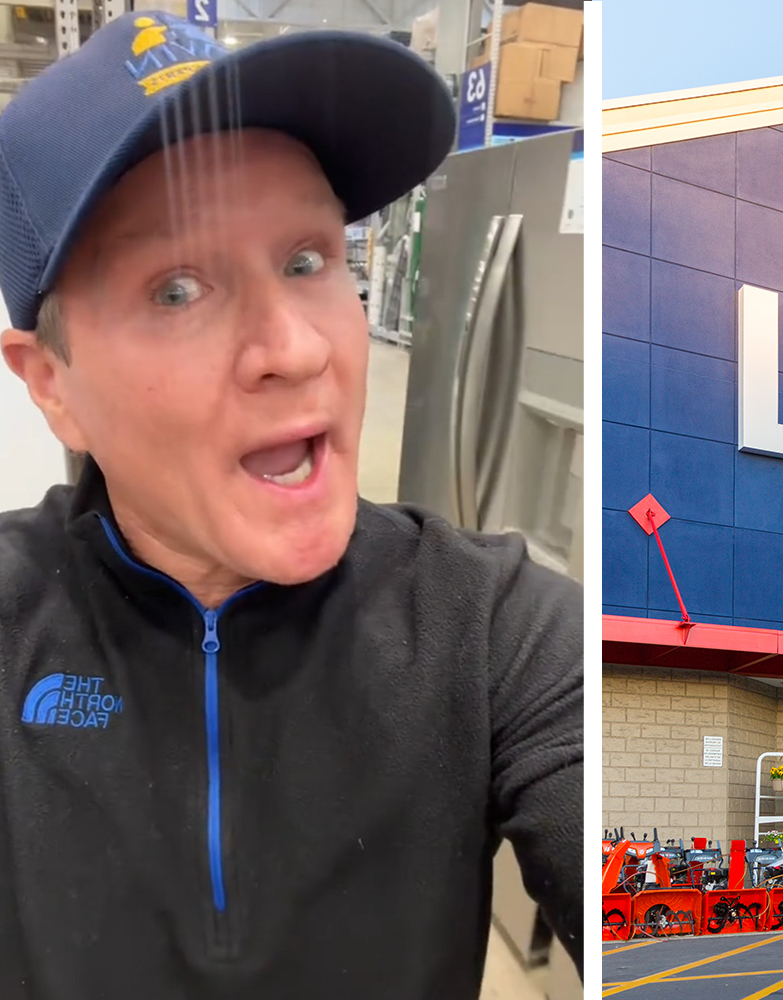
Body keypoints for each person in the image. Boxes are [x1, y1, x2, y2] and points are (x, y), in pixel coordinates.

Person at [0, 11, 581, 996]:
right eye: (177, 289)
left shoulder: (496, 635)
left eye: (309, 260)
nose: (299, 348)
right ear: (52, 382)